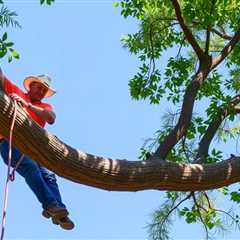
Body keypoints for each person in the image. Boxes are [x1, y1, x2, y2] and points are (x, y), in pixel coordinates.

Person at [0, 68, 75, 230]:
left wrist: (27, 105)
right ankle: (50, 205)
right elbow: (2, 77)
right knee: (31, 168)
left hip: (33, 148)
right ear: (30, 86)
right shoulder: (16, 91)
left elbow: (51, 118)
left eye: (44, 90)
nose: (41, 91)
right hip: (8, 142)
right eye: (39, 87)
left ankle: (60, 212)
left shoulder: (44, 106)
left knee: (49, 175)